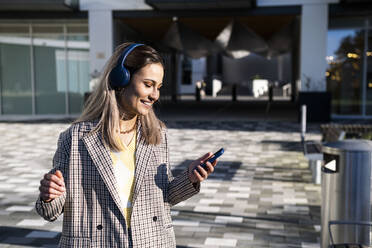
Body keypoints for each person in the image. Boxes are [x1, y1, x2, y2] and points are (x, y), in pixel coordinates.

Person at [35, 42, 218, 248]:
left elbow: (163, 196)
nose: (155, 95)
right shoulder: (76, 139)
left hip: (152, 241)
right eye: (148, 85)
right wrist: (50, 196)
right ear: (121, 79)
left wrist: (190, 178)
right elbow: (49, 212)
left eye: (158, 87)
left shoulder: (157, 136)